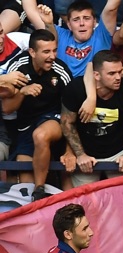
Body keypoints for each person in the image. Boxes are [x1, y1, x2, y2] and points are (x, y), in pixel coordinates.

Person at [60, 50, 123, 187]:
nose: (118, 77)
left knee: (122, 199)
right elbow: (67, 123)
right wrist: (80, 154)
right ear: (96, 75)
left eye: (119, 72)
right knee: (85, 202)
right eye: (111, 74)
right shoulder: (76, 89)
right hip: (86, 153)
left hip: (118, 154)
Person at [2, 29, 72, 201]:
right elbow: (7, 109)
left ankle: (39, 190)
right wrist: (23, 92)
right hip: (25, 126)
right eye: (46, 52)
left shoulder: (60, 71)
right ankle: (34, 205)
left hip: (53, 120)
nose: (52, 56)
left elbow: (71, 114)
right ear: (32, 52)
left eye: (54, 50)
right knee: (24, 178)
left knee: (40, 135)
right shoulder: (18, 67)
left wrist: (70, 150)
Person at [23, 0, 120, 76]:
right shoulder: (58, 33)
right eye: (76, 20)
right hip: (61, 88)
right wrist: (48, 23)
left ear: (94, 22)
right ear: (69, 24)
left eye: (86, 18)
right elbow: (31, 12)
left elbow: (112, 8)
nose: (82, 23)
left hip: (92, 88)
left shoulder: (102, 35)